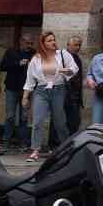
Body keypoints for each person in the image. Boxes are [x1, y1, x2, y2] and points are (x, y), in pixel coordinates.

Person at [21, 31, 77, 163]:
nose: (53, 42)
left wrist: (66, 70)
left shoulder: (63, 54)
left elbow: (74, 69)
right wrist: (25, 97)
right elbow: (30, 80)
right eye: (49, 40)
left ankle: (67, 148)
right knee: (38, 121)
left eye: (53, 39)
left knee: (60, 121)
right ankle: (35, 150)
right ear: (43, 43)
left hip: (58, 89)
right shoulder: (36, 59)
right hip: (41, 90)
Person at [0, 34, 34, 150]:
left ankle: (23, 142)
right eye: (27, 43)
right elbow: (3, 66)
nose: (29, 46)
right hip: (12, 88)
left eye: (31, 43)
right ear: (21, 42)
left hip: (26, 89)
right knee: (10, 116)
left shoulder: (33, 53)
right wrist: (18, 63)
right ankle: (6, 142)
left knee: (24, 118)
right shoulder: (11, 52)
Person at [63, 36, 85, 138]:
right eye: (75, 45)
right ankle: (56, 144)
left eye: (79, 45)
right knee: (61, 121)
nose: (78, 47)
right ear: (68, 45)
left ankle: (70, 144)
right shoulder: (62, 57)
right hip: (64, 94)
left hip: (74, 95)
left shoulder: (77, 58)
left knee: (74, 122)